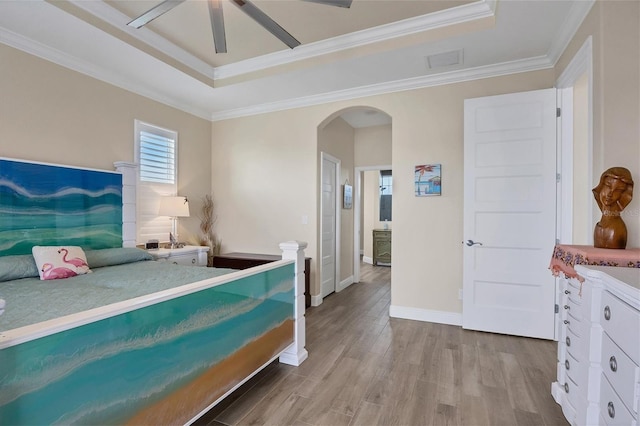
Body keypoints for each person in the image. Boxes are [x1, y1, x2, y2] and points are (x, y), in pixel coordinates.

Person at [592, 167, 634, 249]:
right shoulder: (599, 225)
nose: (610, 194)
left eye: (618, 190)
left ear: (623, 194)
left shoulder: (617, 229)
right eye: (608, 185)